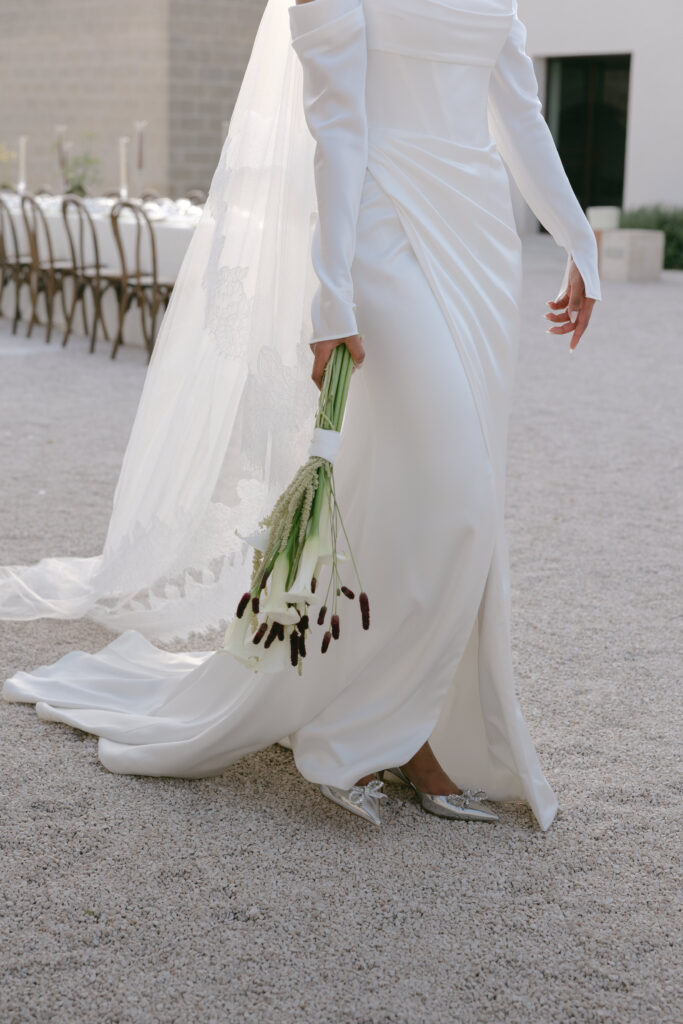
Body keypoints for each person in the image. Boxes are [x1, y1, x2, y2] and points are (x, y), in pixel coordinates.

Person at [1, 0, 600, 830]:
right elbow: (339, 131)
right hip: (385, 232)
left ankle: (401, 719)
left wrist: (579, 239)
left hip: (478, 244)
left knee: (429, 494)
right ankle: (379, 733)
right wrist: (332, 298)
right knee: (456, 494)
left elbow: (517, 111)